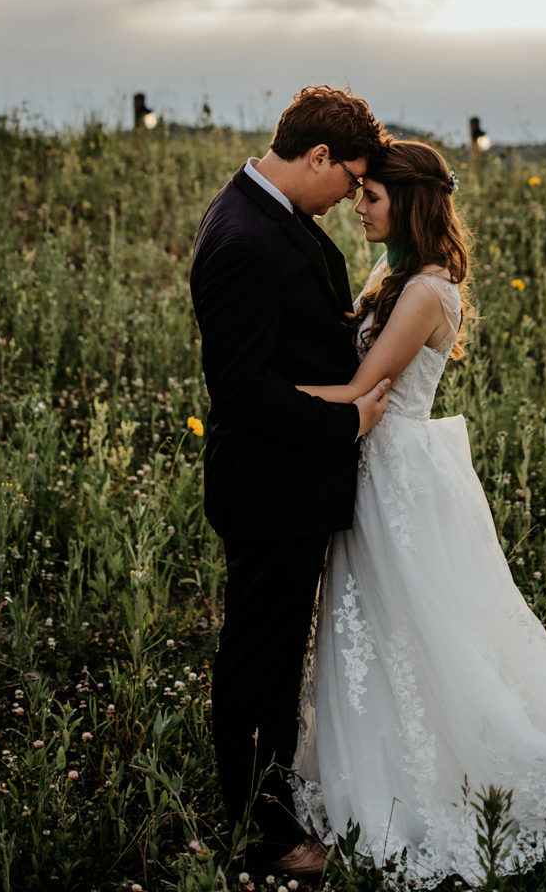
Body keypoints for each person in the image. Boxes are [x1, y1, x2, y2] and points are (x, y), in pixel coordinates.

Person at [292, 140, 546, 884]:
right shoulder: (393, 273)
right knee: (372, 624)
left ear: (408, 201)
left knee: (411, 625)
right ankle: (375, 749)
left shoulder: (426, 291)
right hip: (376, 464)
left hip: (394, 470)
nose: (357, 206)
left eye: (370, 195)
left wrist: (260, 399)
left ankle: (447, 765)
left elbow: (364, 388)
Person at [189, 86, 393, 878]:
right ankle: (261, 841)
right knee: (258, 662)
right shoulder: (242, 236)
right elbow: (238, 388)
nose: (350, 193)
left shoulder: (273, 214)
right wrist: (346, 423)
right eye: (349, 176)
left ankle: (270, 809)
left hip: (291, 481)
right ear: (317, 157)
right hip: (269, 485)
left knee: (272, 658)